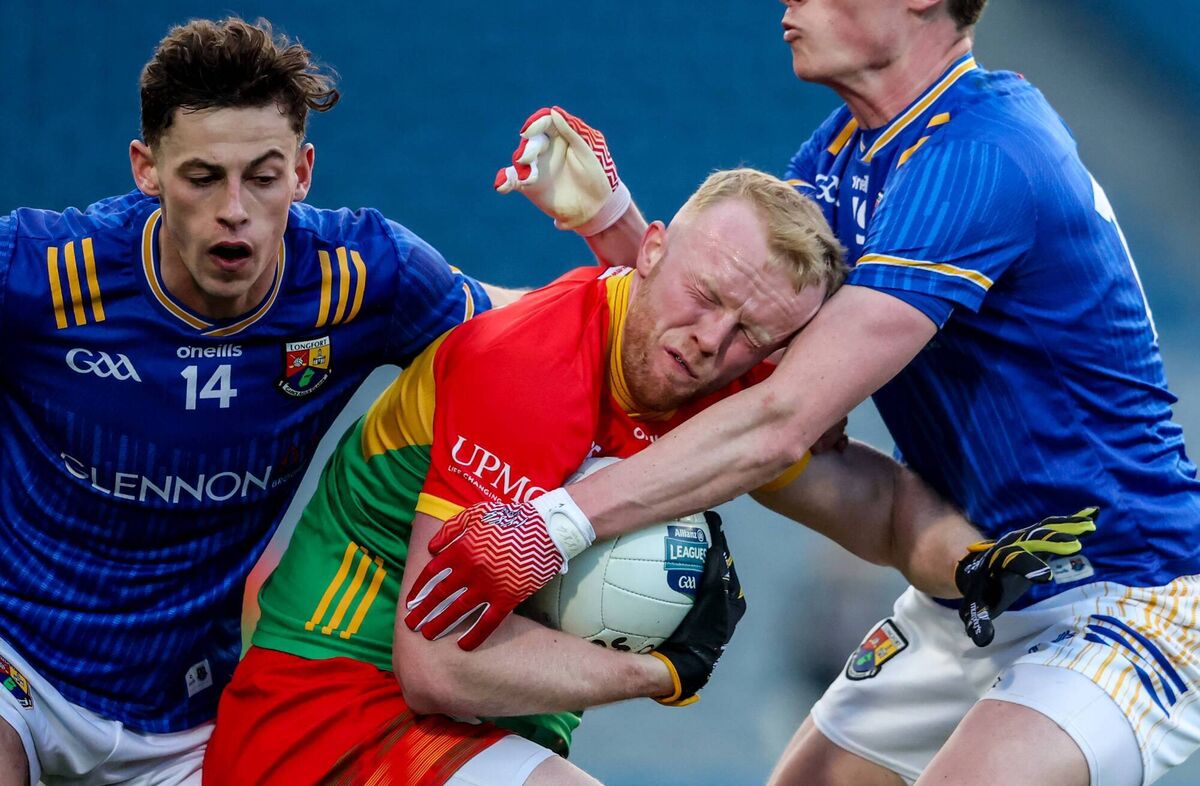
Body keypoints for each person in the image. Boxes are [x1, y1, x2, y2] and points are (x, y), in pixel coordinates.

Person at [405, 3, 1200, 785]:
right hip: (971, 588)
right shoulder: (840, 158)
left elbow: (782, 421)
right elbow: (732, 354)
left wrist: (557, 525)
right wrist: (619, 229)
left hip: (1121, 589)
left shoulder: (984, 153)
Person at [202, 167, 1069, 786]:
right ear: (649, 251)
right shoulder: (530, 370)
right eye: (705, 294)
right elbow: (439, 668)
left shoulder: (726, 388)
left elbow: (872, 508)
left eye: (749, 333)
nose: (709, 341)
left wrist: (985, 568)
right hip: (325, 722)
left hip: (475, 731)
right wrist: (664, 670)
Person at [0, 17, 526, 786]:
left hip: (192, 720)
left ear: (305, 172)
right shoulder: (41, 271)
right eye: (203, 176)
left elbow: (539, 340)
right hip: (18, 670)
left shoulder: (359, 279)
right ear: (147, 170)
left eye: (264, 176)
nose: (236, 209)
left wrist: (608, 228)